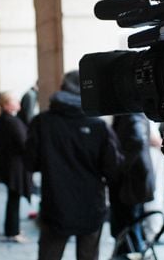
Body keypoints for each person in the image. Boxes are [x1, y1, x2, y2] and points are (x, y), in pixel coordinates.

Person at [25, 70, 123, 260]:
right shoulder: (98, 125)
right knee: (88, 256)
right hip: (91, 205)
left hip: (55, 204)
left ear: (62, 88)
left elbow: (30, 162)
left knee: (49, 255)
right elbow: (113, 168)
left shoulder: (42, 122)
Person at [110, 113, 156, 256]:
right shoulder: (132, 114)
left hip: (131, 183)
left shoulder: (131, 115)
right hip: (133, 182)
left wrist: (120, 166)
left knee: (129, 227)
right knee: (131, 226)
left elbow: (137, 140)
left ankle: (132, 255)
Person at [0, 91, 33, 243]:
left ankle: (12, 229)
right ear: (7, 104)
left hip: (9, 165)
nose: (18, 103)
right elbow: (24, 143)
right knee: (14, 199)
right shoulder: (10, 121)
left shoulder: (4, 119)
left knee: (13, 198)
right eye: (15, 101)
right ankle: (13, 231)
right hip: (14, 167)